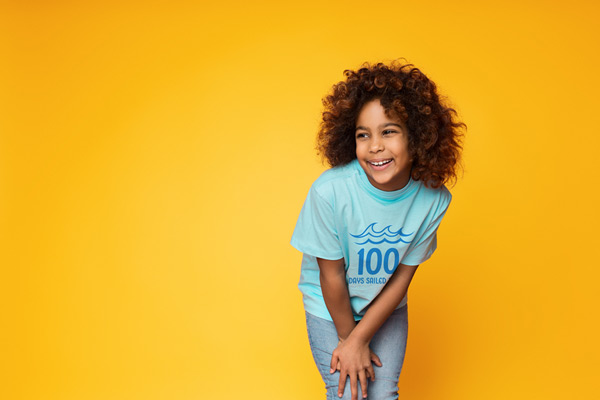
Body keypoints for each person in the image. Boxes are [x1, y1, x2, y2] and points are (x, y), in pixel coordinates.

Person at [290, 60, 465, 400]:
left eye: (389, 131)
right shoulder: (330, 192)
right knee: (349, 394)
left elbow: (402, 276)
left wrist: (362, 337)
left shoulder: (433, 199)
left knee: (382, 394)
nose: (375, 146)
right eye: (363, 135)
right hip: (328, 307)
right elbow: (331, 275)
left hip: (385, 305)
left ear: (417, 137)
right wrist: (348, 339)